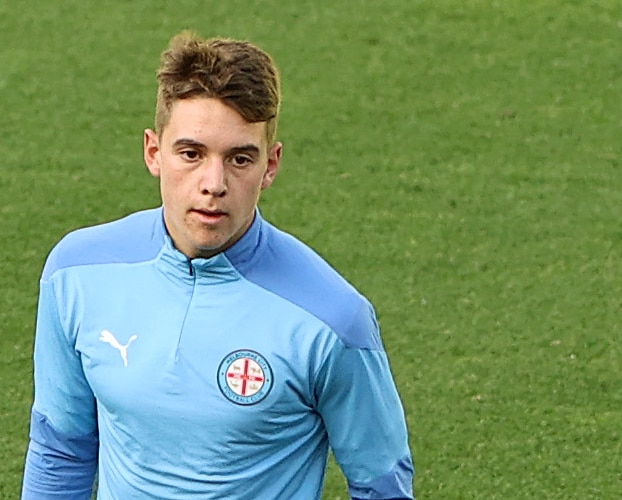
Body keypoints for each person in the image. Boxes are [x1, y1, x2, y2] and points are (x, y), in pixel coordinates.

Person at [21, 31, 414, 500]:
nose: (213, 183)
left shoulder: (332, 319)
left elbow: (382, 484)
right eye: (191, 153)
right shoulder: (76, 274)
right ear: (153, 152)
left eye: (240, 159)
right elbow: (61, 449)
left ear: (271, 165)